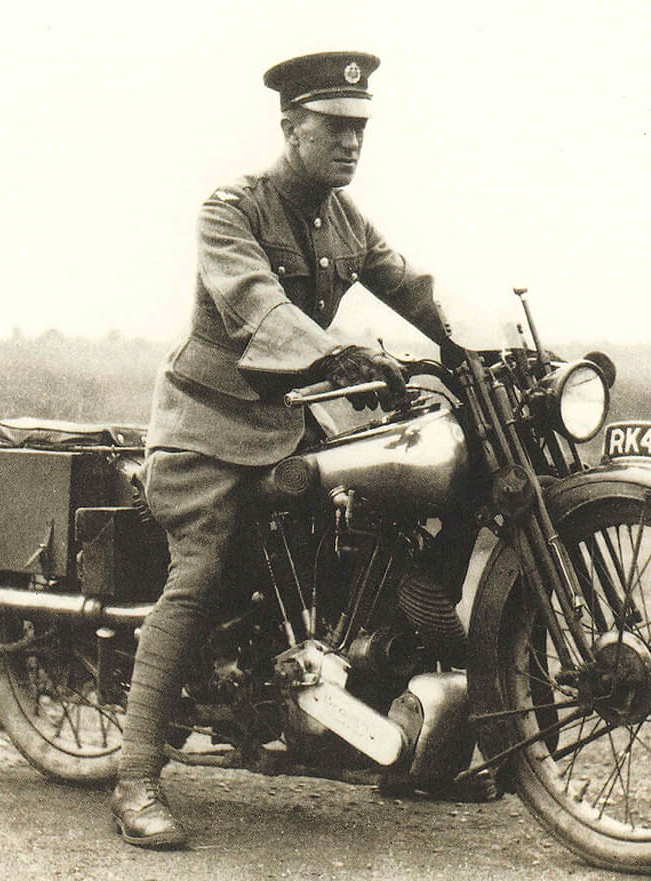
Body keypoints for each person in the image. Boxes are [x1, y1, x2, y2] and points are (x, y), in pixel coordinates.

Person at [111, 51, 453, 848]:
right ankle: (135, 780)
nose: (351, 142)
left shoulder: (343, 218)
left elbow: (411, 286)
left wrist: (473, 346)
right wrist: (335, 354)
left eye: (359, 128)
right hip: (208, 431)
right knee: (201, 571)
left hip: (290, 427)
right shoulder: (232, 209)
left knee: (374, 518)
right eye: (334, 126)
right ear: (291, 127)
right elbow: (253, 303)